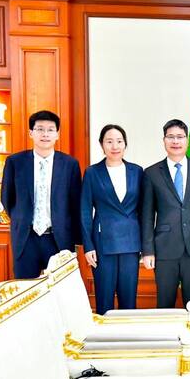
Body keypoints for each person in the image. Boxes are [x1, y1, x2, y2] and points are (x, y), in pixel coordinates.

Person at [141, 119, 190, 349]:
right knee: (165, 301)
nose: (175, 141)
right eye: (170, 137)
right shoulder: (152, 173)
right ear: (164, 141)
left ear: (187, 140)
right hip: (164, 248)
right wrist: (148, 250)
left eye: (180, 137)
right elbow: (147, 214)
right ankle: (166, 347)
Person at [1, 110, 82, 279]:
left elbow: (75, 204)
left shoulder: (70, 164)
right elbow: (7, 198)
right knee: (25, 288)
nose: (45, 134)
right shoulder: (15, 162)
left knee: (59, 289)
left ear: (57, 134)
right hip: (26, 238)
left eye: (50, 130)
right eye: (40, 129)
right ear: (31, 132)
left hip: (58, 238)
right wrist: (21, 218)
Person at [80, 124, 143, 315]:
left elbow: (144, 210)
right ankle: (104, 334)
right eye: (109, 141)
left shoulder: (137, 171)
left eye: (119, 141)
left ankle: (128, 333)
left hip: (131, 243)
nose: (115, 146)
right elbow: (85, 211)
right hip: (102, 244)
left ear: (125, 144)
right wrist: (88, 245)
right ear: (102, 145)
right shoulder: (92, 172)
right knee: (104, 300)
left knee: (129, 301)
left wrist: (146, 245)